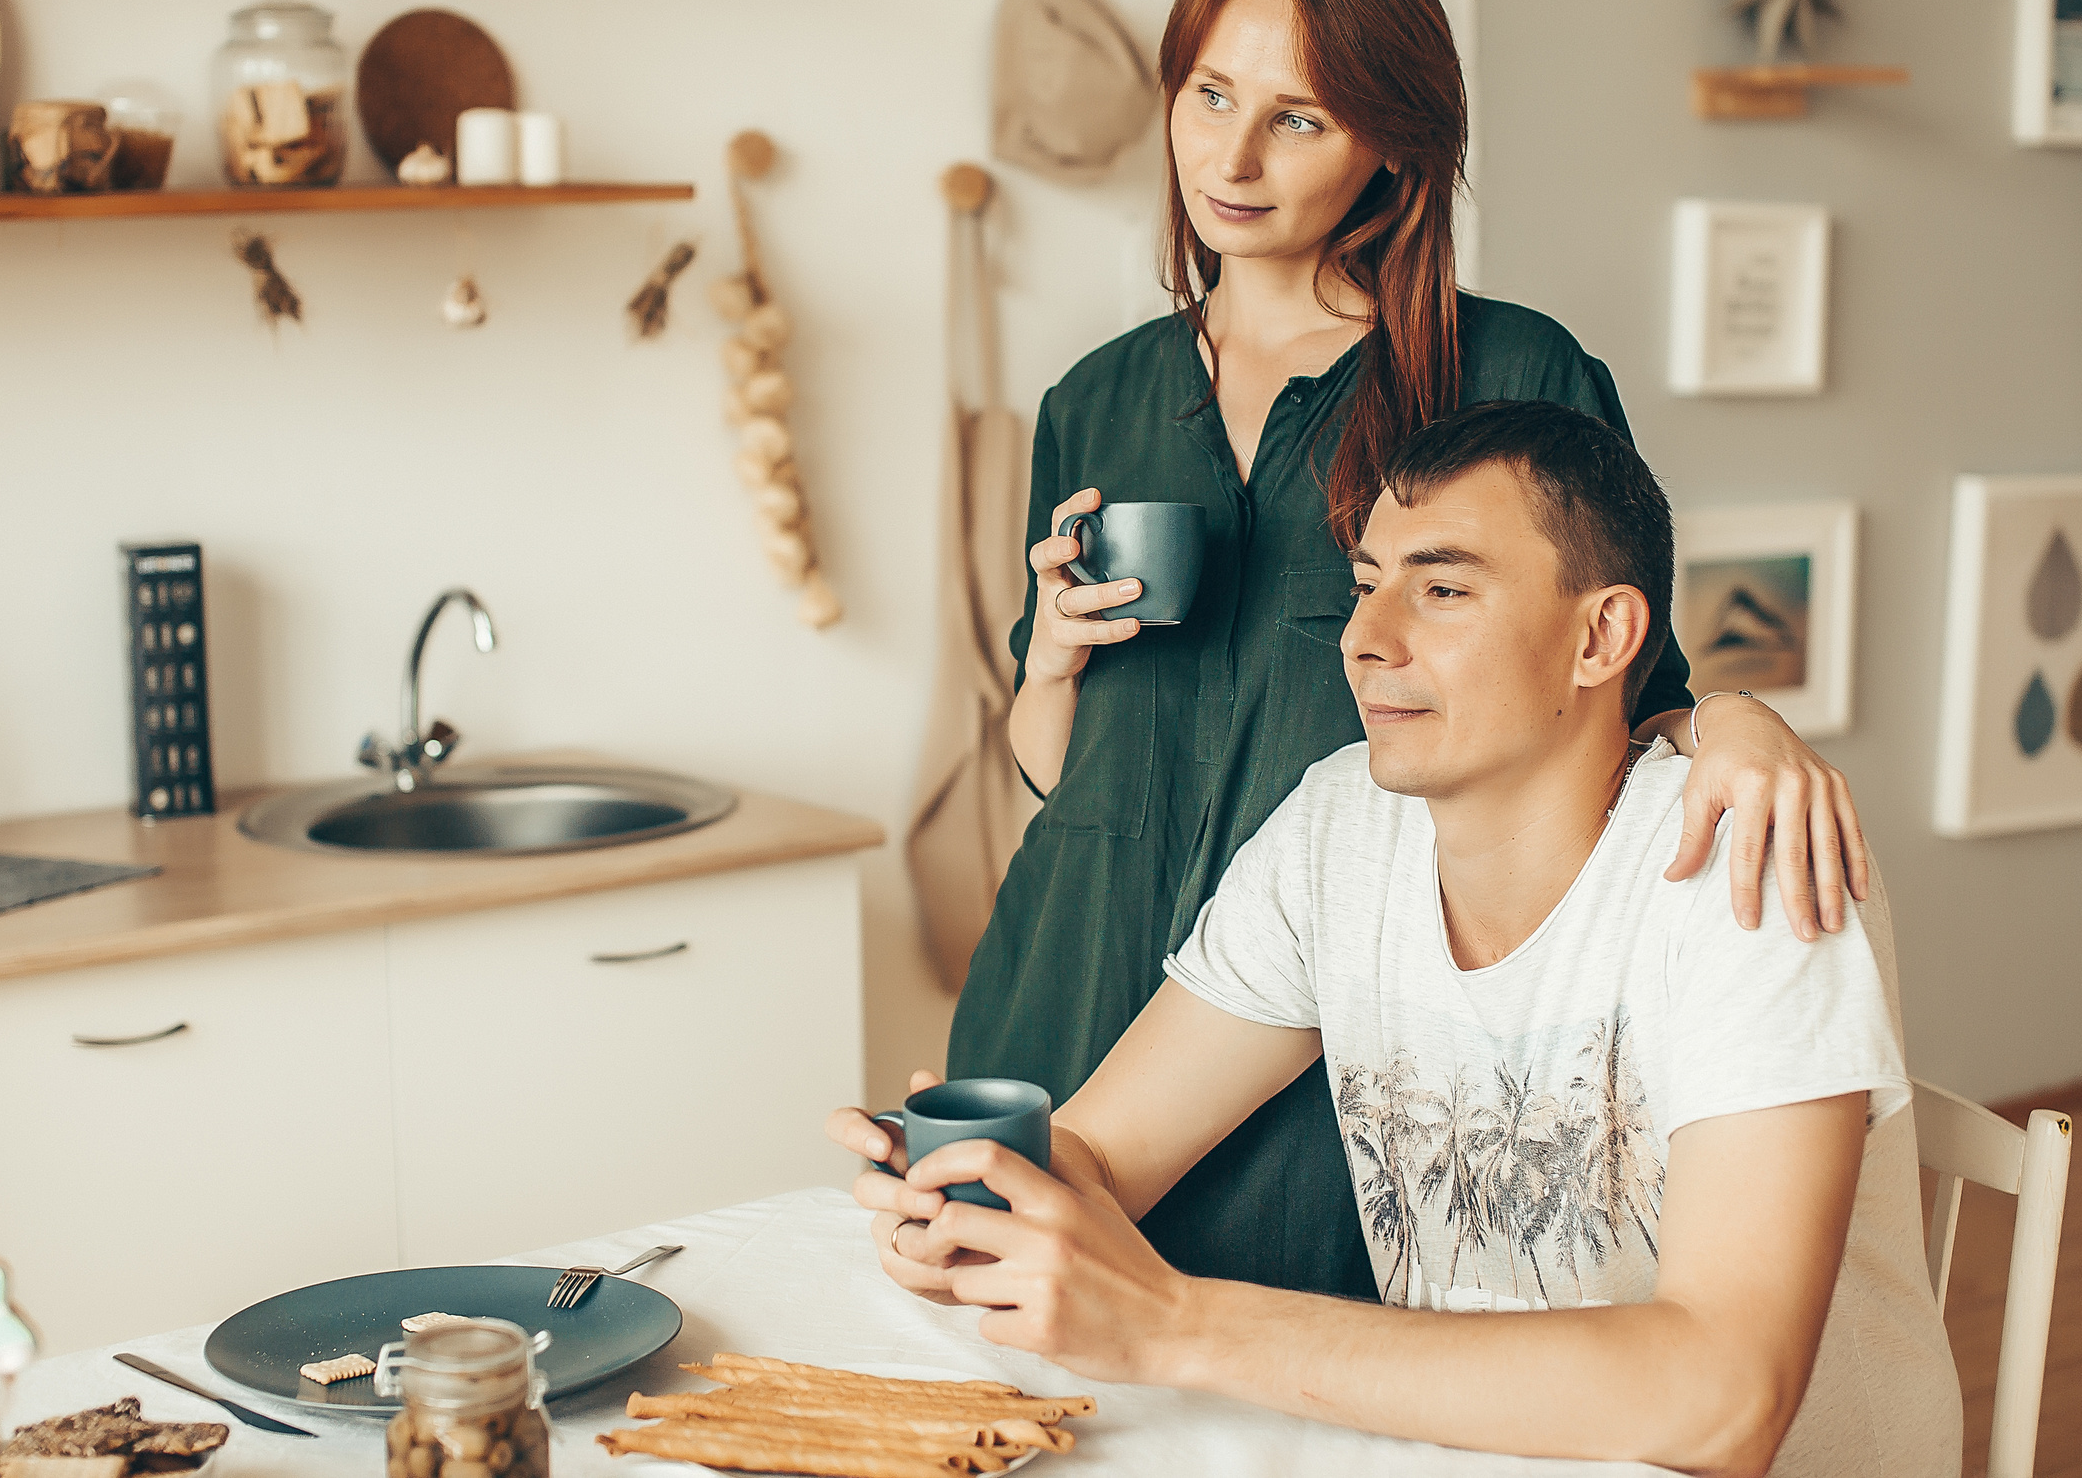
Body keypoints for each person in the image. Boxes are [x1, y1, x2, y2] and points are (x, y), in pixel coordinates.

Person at [948, 0, 1875, 1300]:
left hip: (1331, 1050)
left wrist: (1741, 718)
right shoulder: (1097, 395)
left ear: (1393, 141)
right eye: (1210, 95)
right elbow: (1049, 763)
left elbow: (1629, 683)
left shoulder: (1505, 371)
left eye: (1298, 117)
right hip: (1068, 991)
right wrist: (1061, 667)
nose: (1234, 158)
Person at [840, 401, 1960, 1476]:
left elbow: (1725, 1400)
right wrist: (976, 1202)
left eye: (1442, 590)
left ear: (1601, 634)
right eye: (1367, 586)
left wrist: (1173, 1324)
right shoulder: (1340, 829)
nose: (1367, 640)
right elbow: (1103, 1158)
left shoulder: (1749, 857)